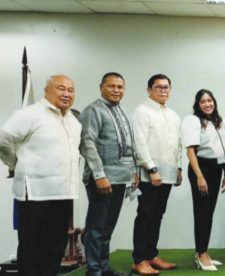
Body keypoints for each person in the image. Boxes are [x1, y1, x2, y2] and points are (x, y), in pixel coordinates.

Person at [0, 75, 81, 276]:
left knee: (56, 248)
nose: (66, 94)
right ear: (46, 90)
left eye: (71, 90)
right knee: (32, 249)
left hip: (63, 193)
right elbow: (3, 139)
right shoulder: (29, 114)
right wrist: (14, 163)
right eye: (61, 88)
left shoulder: (73, 120)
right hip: (34, 194)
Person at [79, 72, 137, 276]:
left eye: (120, 87)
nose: (116, 90)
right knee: (96, 228)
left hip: (120, 178)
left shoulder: (121, 112)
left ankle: (103, 268)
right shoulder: (93, 110)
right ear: (101, 87)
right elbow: (87, 143)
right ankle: (93, 270)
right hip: (102, 180)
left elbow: (129, 146)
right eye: (111, 86)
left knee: (107, 227)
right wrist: (99, 175)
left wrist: (133, 173)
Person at [131, 73, 182, 275]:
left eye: (166, 87)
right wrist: (152, 169)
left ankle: (152, 255)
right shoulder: (142, 112)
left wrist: (178, 167)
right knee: (146, 214)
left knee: (158, 215)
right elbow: (139, 142)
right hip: (150, 173)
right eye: (158, 87)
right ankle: (139, 259)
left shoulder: (173, 115)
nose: (163, 90)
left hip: (168, 172)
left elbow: (178, 144)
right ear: (149, 89)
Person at [181, 89, 225, 271]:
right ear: (198, 104)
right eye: (203, 101)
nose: (207, 104)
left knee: (209, 212)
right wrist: (199, 177)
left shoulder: (220, 122)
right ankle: (201, 254)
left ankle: (203, 251)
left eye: (210, 100)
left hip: (217, 169)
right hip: (200, 168)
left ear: (214, 102)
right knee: (201, 212)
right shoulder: (193, 121)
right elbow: (190, 151)